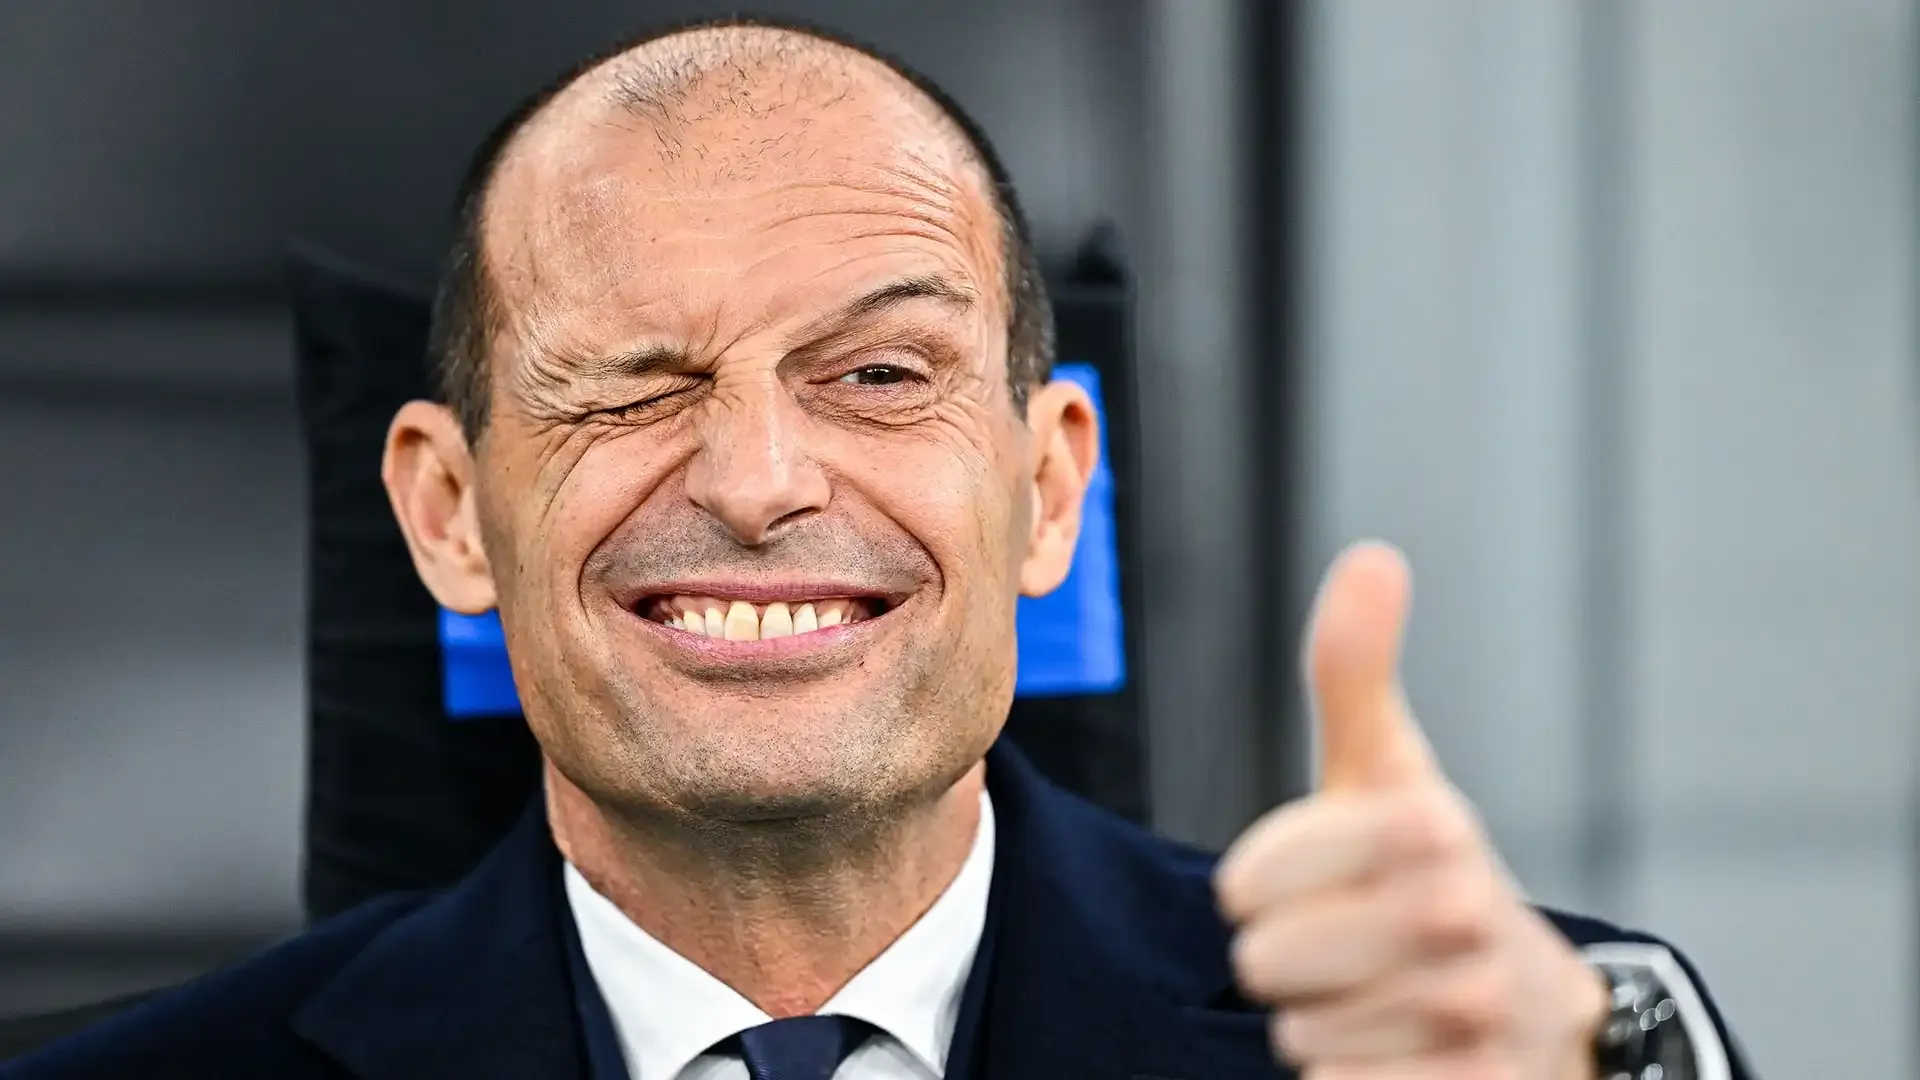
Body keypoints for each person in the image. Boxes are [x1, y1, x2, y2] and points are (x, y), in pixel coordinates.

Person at [3, 17, 1753, 1080]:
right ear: (449, 513)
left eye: (881, 375)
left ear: (1051, 491)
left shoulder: (1469, 1048)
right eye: (634, 386)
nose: (759, 481)